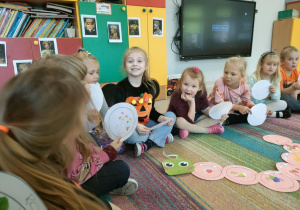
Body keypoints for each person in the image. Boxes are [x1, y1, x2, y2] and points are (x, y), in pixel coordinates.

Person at [0, 65, 120, 209]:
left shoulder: (16, 147)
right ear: (65, 133)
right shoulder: (54, 190)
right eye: (82, 112)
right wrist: (107, 153)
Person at [31, 54, 138, 198]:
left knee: (91, 138)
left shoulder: (54, 117)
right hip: (68, 189)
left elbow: (84, 139)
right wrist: (108, 152)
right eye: (83, 83)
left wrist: (95, 150)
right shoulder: (66, 133)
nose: (88, 86)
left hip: (67, 171)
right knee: (121, 169)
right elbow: (79, 173)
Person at [114, 47, 176, 157]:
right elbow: (119, 116)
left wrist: (162, 119)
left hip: (146, 123)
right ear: (125, 65)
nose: (134, 64)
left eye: (139, 61)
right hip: (130, 127)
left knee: (171, 116)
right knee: (135, 137)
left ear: (146, 65)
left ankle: (147, 143)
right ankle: (159, 137)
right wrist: (136, 126)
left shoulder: (149, 86)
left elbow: (150, 111)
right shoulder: (120, 88)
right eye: (130, 61)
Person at [167, 67, 226, 139]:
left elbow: (205, 110)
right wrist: (192, 102)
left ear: (200, 87)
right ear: (180, 82)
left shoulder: (201, 93)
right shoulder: (176, 95)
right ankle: (207, 130)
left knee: (216, 118)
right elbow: (189, 120)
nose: (188, 89)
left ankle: (188, 130)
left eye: (193, 86)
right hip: (179, 120)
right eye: (185, 84)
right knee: (180, 121)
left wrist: (218, 115)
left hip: (194, 117)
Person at [208, 56, 256, 125]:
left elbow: (247, 100)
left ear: (241, 76)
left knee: (248, 113)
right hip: (215, 108)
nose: (228, 76)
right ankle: (224, 120)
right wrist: (237, 107)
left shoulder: (244, 85)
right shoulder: (219, 82)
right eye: (226, 72)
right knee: (221, 115)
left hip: (231, 109)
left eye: (233, 74)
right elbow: (220, 104)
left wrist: (255, 108)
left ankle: (228, 120)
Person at [247, 50, 290, 118]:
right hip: (253, 103)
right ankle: (273, 114)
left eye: (274, 65)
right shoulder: (253, 78)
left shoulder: (275, 79)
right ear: (261, 64)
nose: (271, 67)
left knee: (283, 104)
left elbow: (276, 99)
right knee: (244, 105)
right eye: (268, 64)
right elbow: (247, 96)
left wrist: (273, 92)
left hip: (266, 103)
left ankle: (263, 112)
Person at [279, 46, 300, 112]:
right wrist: (293, 89)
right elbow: (280, 91)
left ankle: (292, 107)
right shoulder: (279, 72)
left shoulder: (295, 71)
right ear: (282, 61)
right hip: (282, 95)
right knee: (285, 98)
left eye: (296, 59)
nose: (294, 62)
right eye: (290, 59)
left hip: (293, 94)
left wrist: (295, 91)